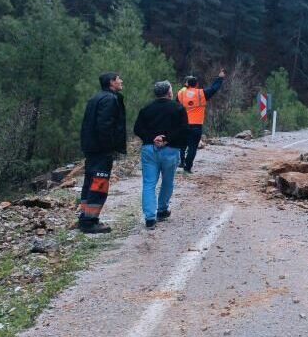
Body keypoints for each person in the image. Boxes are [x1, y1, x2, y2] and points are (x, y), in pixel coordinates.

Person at [134, 81, 189, 229]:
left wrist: (153, 138)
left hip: (149, 149)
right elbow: (183, 129)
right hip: (170, 149)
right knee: (167, 181)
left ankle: (150, 218)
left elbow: (137, 128)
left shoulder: (146, 109)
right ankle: (162, 210)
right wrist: (166, 139)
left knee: (149, 183)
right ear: (169, 93)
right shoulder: (178, 108)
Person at [77, 72, 127, 234]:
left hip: (91, 148)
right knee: (99, 183)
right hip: (101, 150)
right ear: (112, 82)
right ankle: (90, 222)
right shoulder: (110, 99)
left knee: (89, 181)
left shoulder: (95, 98)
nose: (121, 81)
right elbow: (104, 126)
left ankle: (84, 216)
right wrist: (109, 147)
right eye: (119, 79)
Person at [176, 69, 225, 173]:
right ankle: (187, 168)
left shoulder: (181, 94)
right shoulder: (201, 93)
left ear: (187, 84)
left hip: (184, 125)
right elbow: (214, 89)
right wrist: (220, 78)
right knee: (193, 147)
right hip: (196, 126)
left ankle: (181, 162)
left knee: (182, 145)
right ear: (197, 84)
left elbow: (176, 103)